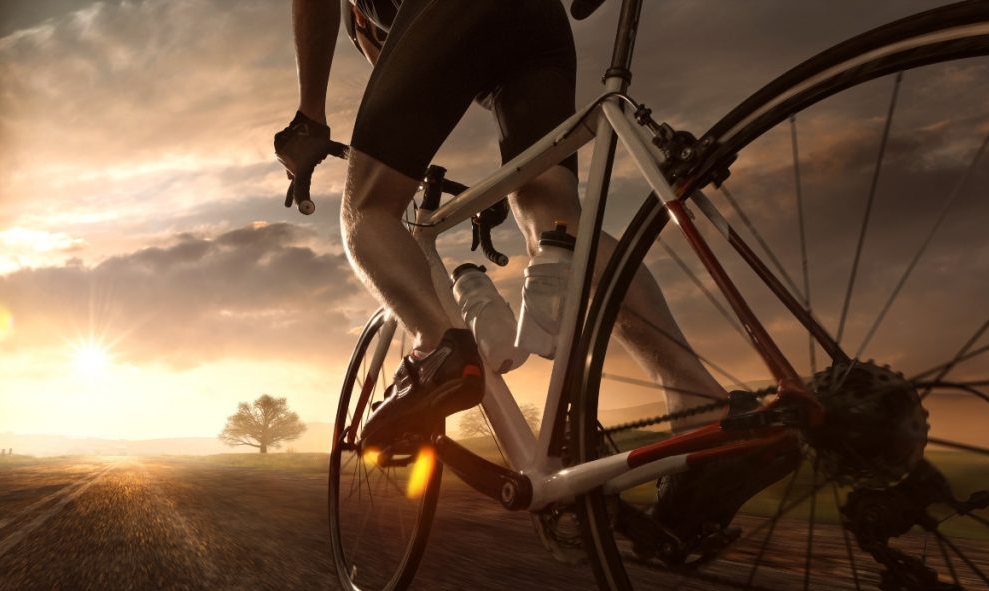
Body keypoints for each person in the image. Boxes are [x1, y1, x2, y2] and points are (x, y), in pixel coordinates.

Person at [274, 0, 784, 555]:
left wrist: (309, 119)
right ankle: (702, 406)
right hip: (536, 27)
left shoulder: (362, 15)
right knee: (554, 219)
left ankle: (436, 350)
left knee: (367, 210)